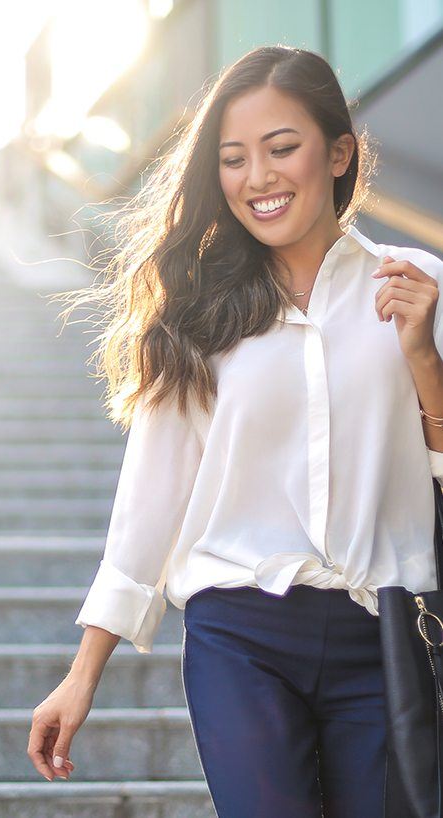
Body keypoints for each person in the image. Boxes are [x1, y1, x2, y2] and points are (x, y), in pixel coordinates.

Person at [27, 45, 443, 817]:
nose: (259, 178)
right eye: (234, 158)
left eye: (282, 148)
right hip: (240, 631)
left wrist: (422, 355)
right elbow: (152, 495)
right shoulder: (198, 314)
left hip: (383, 637)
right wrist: (83, 671)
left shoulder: (418, 285)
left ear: (340, 152)